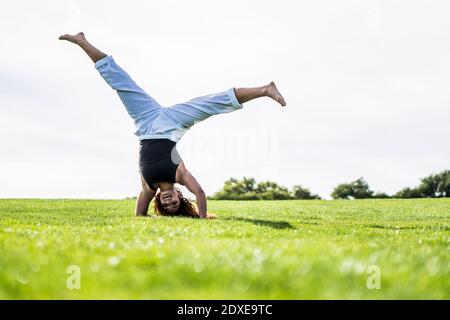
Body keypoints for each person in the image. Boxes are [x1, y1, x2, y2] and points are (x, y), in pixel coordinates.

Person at [59, 32, 287, 219]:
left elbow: (139, 214)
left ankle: (82, 42)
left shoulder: (149, 187)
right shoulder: (179, 174)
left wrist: (146, 214)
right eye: (174, 205)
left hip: (145, 122)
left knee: (120, 82)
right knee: (211, 103)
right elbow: (200, 192)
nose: (169, 204)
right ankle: (265, 89)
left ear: (159, 200)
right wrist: (202, 217)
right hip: (170, 125)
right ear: (179, 195)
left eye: (166, 207)